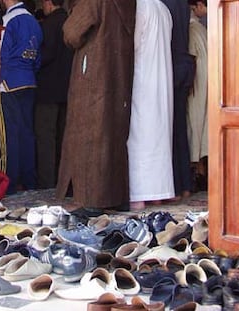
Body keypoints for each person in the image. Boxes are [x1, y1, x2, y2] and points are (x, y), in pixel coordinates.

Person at [56, 0, 136, 211]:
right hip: (118, 74)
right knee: (113, 134)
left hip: (93, 74)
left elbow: (71, 34)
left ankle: (89, 198)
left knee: (89, 134)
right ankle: (115, 196)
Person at [127, 0, 175, 211]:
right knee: (160, 134)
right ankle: (160, 191)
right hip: (162, 77)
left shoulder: (140, 6)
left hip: (143, 75)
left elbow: (133, 44)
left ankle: (140, 193)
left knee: (140, 134)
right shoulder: (163, 9)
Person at [0, 0, 43, 195]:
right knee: (27, 132)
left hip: (10, 82)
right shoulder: (33, 21)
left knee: (10, 135)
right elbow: (38, 57)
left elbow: (2, 55)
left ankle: (10, 182)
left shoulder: (9, 20)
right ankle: (29, 180)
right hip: (29, 80)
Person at [34, 0, 73, 189]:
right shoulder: (70, 22)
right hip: (66, 89)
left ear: (48, 3)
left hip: (47, 90)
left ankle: (47, 182)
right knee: (63, 137)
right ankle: (63, 181)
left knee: (46, 137)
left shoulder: (48, 25)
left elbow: (44, 56)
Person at [161, 0, 196, 201]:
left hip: (170, 64)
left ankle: (173, 185)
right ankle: (186, 185)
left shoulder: (161, 3)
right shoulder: (182, 3)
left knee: (169, 128)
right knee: (180, 128)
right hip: (184, 64)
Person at [187, 0, 208, 191]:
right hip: (208, 82)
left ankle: (196, 170)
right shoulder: (202, 29)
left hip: (197, 84)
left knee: (194, 126)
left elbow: (190, 58)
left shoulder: (191, 30)